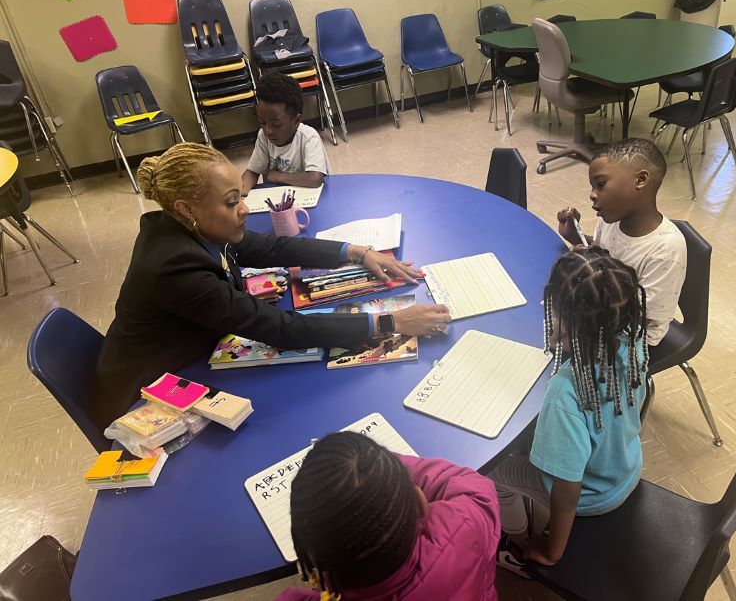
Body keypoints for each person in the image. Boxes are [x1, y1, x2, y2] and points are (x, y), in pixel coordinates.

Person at [94, 143, 449, 429]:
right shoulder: (175, 266)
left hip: (189, 355)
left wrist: (356, 252)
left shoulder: (190, 225)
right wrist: (391, 322)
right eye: (232, 202)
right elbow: (274, 326)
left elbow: (271, 247)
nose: (246, 209)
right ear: (186, 208)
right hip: (148, 392)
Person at [489, 247, 648, 572]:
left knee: (492, 475)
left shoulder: (566, 390)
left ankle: (517, 544)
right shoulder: (632, 341)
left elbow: (567, 489)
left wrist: (552, 551)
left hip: (592, 494)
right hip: (625, 468)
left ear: (566, 319)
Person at [277, 431, 501, 601]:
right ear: (420, 503)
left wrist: (352, 486)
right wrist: (377, 470)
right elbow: (473, 485)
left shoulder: (327, 583)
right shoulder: (465, 526)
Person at [556, 137, 686, 347]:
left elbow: (646, 317)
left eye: (600, 184)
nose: (592, 195)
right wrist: (575, 237)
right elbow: (602, 251)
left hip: (633, 336)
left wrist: (587, 277)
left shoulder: (666, 249)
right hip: (602, 309)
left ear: (641, 180)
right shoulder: (611, 221)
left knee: (557, 348)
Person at [241, 72, 329, 193]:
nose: (268, 131)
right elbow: (252, 172)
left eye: (277, 125)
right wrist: (239, 195)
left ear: (297, 120)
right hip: (280, 201)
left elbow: (314, 179)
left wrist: (277, 177)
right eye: (262, 122)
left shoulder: (308, 137)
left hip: (311, 198)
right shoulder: (263, 137)